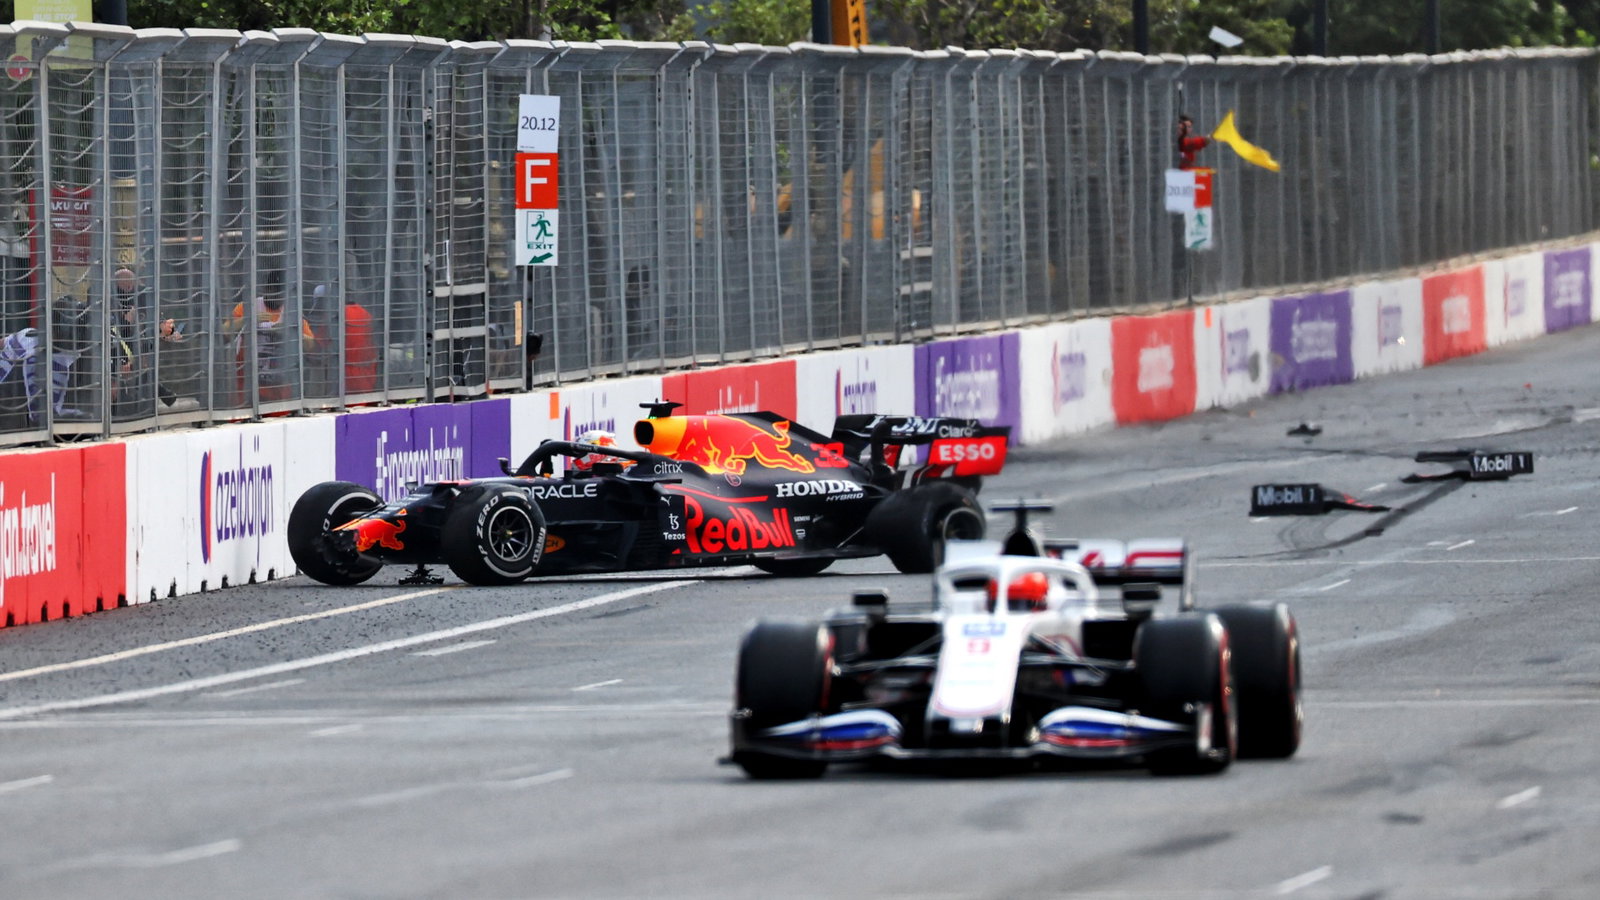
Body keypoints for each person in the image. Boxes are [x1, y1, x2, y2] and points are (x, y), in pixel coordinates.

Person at [229, 289, 315, 404]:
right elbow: (224, 330)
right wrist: (248, 320)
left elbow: (311, 346)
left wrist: (291, 332)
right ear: (266, 290)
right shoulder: (249, 307)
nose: (276, 298)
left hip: (280, 387)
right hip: (248, 385)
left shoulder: (291, 312)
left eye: (280, 295)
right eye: (273, 293)